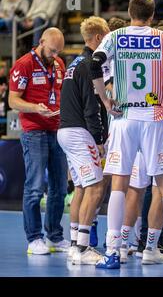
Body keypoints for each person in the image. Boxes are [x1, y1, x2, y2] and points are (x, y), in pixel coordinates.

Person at [90, 0, 163, 269]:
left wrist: (104, 99)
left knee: (120, 184)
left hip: (125, 117)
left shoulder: (116, 36)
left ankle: (113, 251)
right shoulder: (162, 37)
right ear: (152, 14)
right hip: (155, 117)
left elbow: (94, 63)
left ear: (128, 11)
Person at [9, 27, 69, 255]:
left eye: (58, 52)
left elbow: (61, 92)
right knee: (34, 187)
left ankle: (54, 236)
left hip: (57, 130)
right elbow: (13, 101)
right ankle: (34, 238)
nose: (55, 55)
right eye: (52, 50)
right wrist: (36, 108)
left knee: (60, 188)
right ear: (41, 41)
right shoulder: (24, 64)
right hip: (34, 131)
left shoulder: (59, 64)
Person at [58, 16, 110, 265]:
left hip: (66, 130)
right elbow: (92, 105)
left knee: (81, 188)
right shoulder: (90, 64)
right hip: (79, 131)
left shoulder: (74, 62)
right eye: (108, 36)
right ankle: (82, 248)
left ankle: (73, 244)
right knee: (96, 187)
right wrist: (99, 138)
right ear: (99, 38)